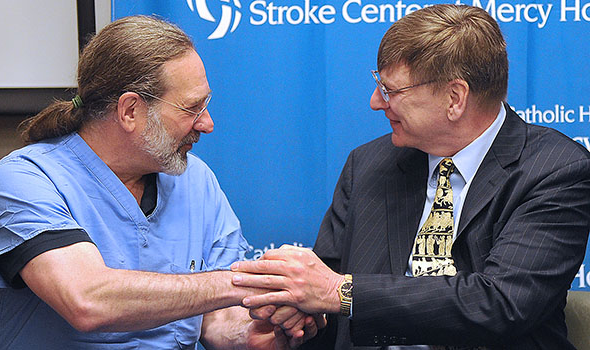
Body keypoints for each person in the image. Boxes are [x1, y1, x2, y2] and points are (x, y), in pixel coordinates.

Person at [230, 4, 590, 349]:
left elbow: (500, 304)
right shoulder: (369, 164)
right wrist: (300, 317)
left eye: (391, 91)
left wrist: (340, 294)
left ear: (454, 98)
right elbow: (326, 285)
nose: (375, 101)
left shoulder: (556, 170)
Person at [0, 15, 319, 350]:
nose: (207, 124)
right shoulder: (24, 180)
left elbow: (215, 319)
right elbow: (86, 300)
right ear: (130, 110)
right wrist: (254, 285)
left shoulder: (195, 180)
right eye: (192, 108)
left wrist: (251, 334)